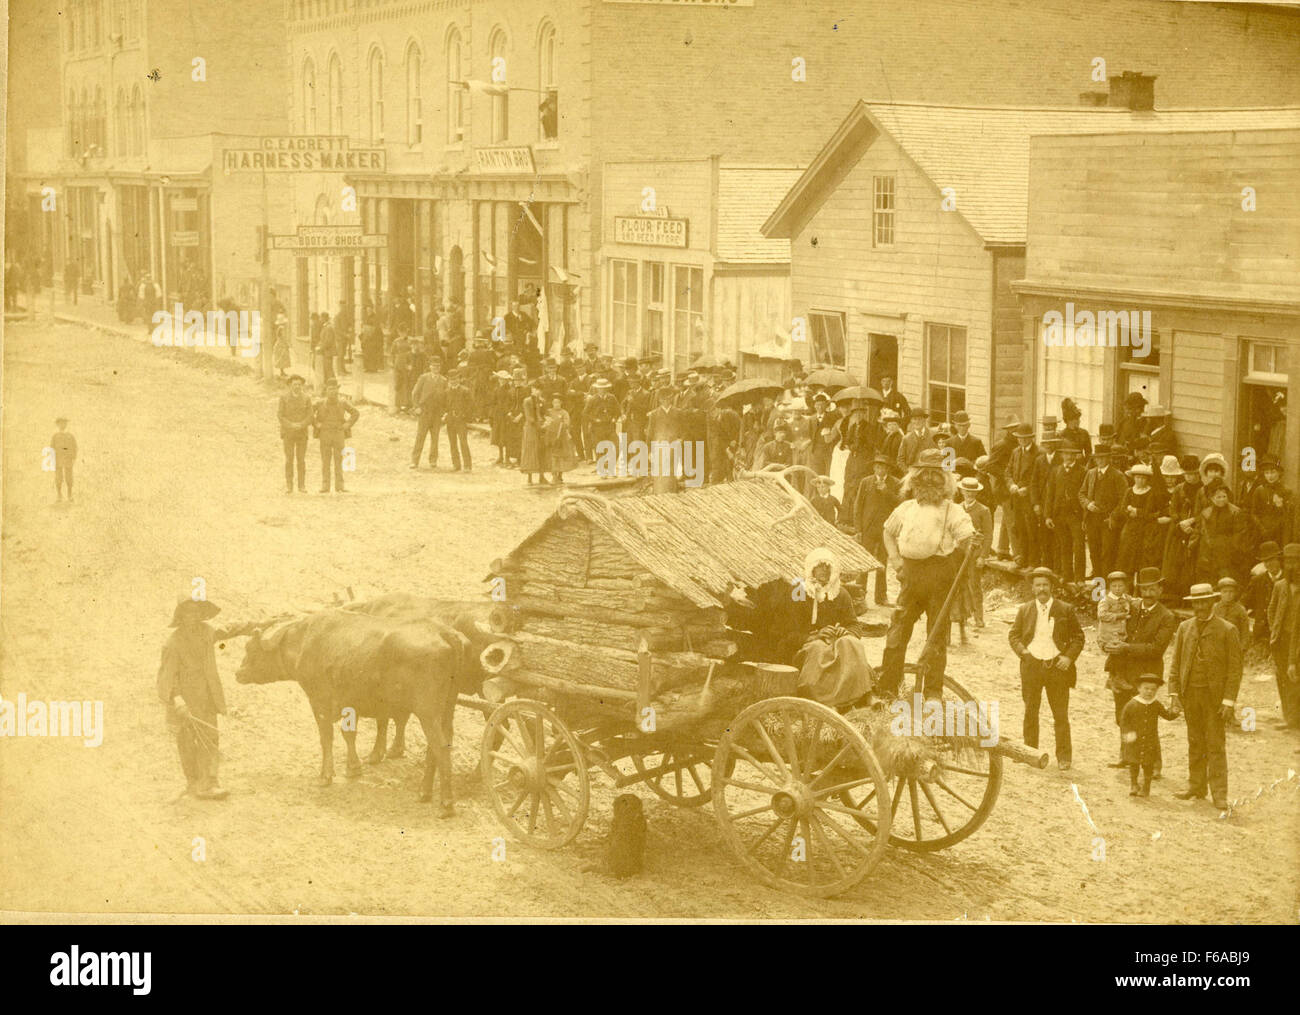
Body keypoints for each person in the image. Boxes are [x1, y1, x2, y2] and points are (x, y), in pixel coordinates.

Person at [879, 448, 977, 698]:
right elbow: (888, 532)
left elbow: (968, 540)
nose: (929, 482)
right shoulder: (906, 508)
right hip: (910, 578)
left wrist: (952, 565)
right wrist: (896, 560)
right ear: (914, 480)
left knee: (936, 638)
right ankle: (889, 688)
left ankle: (932, 692)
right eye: (924, 476)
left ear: (945, 482)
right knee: (897, 632)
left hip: (939, 578)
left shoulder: (952, 511)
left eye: (935, 477)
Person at [157, 597, 258, 799]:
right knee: (188, 742)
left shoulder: (206, 632)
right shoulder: (173, 644)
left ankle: (210, 782)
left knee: (210, 738)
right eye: (188, 613)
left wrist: (256, 625)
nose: (193, 617)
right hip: (186, 701)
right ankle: (194, 783)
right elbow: (166, 676)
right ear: (181, 616)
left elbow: (228, 630)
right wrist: (177, 699)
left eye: (196, 612)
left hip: (207, 696)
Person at [1169, 583, 1242, 810]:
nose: (1199, 607)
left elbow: (1235, 670)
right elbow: (1175, 663)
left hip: (1214, 698)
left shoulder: (1227, 629)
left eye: (1204, 602)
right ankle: (1196, 786)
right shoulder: (1184, 628)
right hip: (1190, 694)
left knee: (1215, 744)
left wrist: (1228, 701)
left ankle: (1219, 793)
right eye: (1195, 603)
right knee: (1195, 741)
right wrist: (1174, 693)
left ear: (1212, 602)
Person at [1008, 567, 1085, 770]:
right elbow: (1013, 635)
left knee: (1060, 714)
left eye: (1045, 585)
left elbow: (1078, 637)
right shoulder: (1024, 609)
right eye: (1038, 585)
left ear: (1052, 587)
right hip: (1032, 667)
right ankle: (1029, 751)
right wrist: (1023, 652)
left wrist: (1068, 658)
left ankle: (1064, 757)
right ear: (1032, 588)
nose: (1042, 589)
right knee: (1030, 710)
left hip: (1056, 667)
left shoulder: (1065, 609)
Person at [1104, 567, 1177, 772]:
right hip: (1123, 671)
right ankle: (1127, 756)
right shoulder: (1131, 607)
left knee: (1146, 721)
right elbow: (1113, 627)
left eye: (1153, 589)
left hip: (1147, 675)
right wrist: (1109, 644)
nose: (1148, 593)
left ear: (1160, 590)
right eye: (1144, 589)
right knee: (1123, 717)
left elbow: (1156, 649)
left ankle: (1153, 764)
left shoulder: (1166, 616)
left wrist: (1127, 648)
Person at [1121, 675, 1180, 797]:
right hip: (1135, 740)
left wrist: (1174, 712)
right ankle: (1134, 784)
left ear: (1156, 690)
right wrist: (1127, 733)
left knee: (1148, 764)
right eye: (1146, 688)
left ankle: (1146, 787)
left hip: (1150, 741)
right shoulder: (1132, 704)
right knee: (1134, 762)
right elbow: (1124, 720)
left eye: (1153, 689)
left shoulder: (1156, 704)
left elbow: (1166, 715)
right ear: (1139, 689)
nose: (1149, 692)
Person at [853, 454, 900, 607]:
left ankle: (881, 597)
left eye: (883, 467)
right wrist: (858, 529)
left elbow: (900, 505)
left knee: (882, 564)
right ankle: (859, 595)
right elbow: (858, 506)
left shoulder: (895, 483)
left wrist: (886, 491)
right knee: (864, 563)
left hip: (886, 531)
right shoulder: (866, 482)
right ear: (874, 467)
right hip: (867, 529)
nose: (880, 469)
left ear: (888, 469)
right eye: (877, 466)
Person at [1265, 543, 1300, 730]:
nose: (1292, 566)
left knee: (1296, 678)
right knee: (1283, 679)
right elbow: (1271, 609)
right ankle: (1289, 718)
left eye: (1296, 561)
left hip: (1299, 642)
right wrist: (1275, 630)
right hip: (1282, 639)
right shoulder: (1280, 586)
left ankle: (1296, 719)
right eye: (1289, 561)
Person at [1080, 443, 1126, 579]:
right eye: (1097, 458)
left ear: (1109, 458)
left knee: (1107, 552)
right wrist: (1088, 504)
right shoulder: (1091, 473)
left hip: (1108, 520)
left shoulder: (1117, 475)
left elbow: (1124, 499)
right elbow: (1081, 493)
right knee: (1094, 550)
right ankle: (1098, 586)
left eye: (1103, 457)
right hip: (1092, 518)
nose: (1100, 460)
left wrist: (1113, 515)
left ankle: (1108, 583)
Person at [1045, 441, 1086, 583]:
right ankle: (1066, 575)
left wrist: (1084, 517)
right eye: (1066, 454)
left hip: (1076, 515)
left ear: (1076, 456)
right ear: (1062, 455)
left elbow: (1085, 494)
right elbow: (1050, 494)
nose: (1069, 457)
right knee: (1063, 545)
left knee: (1079, 546)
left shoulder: (1083, 471)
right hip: (1059, 515)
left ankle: (1079, 577)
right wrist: (1048, 516)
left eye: (1072, 454)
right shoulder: (1056, 471)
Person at [955, 475, 991, 635]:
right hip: (958, 552)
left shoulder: (983, 510)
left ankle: (978, 616)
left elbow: (988, 535)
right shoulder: (957, 508)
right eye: (966, 491)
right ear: (962, 492)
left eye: (972, 492)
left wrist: (983, 555)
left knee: (974, 584)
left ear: (976, 494)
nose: (969, 494)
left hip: (974, 553)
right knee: (958, 584)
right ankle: (964, 615)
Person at [1112, 463, 1160, 580]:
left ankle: (1140, 587)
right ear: (1134, 478)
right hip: (1130, 528)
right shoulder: (1129, 491)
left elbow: (1150, 511)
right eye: (1138, 477)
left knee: (1143, 558)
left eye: (1143, 478)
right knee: (1126, 557)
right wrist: (1129, 512)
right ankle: (1127, 585)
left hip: (1145, 529)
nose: (1140, 480)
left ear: (1147, 479)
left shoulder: (1151, 492)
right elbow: (1123, 508)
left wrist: (1136, 511)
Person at [313, 379, 358, 493]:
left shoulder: (343, 402)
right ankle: (325, 486)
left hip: (339, 433)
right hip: (325, 433)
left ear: (338, 390)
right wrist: (316, 423)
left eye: (335, 389)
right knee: (325, 460)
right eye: (330, 389)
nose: (332, 392)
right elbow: (309, 413)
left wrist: (347, 424)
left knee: (339, 459)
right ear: (326, 390)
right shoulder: (319, 403)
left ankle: (340, 486)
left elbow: (355, 413)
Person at [1005, 423, 1039, 568]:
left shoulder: (1038, 453)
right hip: (1017, 498)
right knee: (1020, 529)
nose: (1023, 441)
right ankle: (1023, 558)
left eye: (1026, 438)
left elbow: (1041, 478)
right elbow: (1008, 472)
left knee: (1032, 529)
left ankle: (1033, 561)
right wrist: (1011, 484)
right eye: (1020, 438)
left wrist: (1027, 489)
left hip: (1030, 498)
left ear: (1031, 438)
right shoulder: (1016, 452)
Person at [1246, 456, 1293, 552]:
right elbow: (1253, 513)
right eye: (1267, 473)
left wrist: (1280, 506)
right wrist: (1262, 528)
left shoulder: (1286, 491)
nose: (1270, 476)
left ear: (1279, 473)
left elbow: (1288, 516)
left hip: (1279, 532)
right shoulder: (1259, 490)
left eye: (1273, 472)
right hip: (1262, 531)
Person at [410, 359, 448, 469]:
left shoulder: (443, 380)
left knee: (435, 438)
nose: (436, 368)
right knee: (420, 437)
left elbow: (446, 398)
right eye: (433, 366)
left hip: (437, 413)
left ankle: (433, 460)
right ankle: (414, 461)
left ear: (440, 368)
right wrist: (416, 407)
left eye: (438, 366)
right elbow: (415, 393)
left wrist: (444, 412)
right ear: (430, 366)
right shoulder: (424, 378)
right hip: (425, 411)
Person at [277, 374, 312, 493]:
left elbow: (310, 416)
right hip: (288, 433)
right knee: (289, 459)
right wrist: (291, 425)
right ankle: (289, 485)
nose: (297, 387)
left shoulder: (306, 398)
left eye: (299, 384)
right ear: (290, 386)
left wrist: (301, 425)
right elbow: (280, 415)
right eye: (294, 384)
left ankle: (301, 485)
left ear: (302, 386)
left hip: (302, 433)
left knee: (301, 460)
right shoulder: (284, 398)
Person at [1248, 541, 1284, 645]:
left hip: (1283, 633)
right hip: (1261, 634)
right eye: (1265, 561)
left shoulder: (1288, 579)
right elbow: (1245, 603)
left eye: (1272, 559)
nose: (1269, 564)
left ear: (1279, 559)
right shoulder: (1257, 580)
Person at [543, 394, 580, 484]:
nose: (556, 404)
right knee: (553, 457)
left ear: (561, 403)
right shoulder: (549, 412)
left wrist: (562, 425)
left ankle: (560, 475)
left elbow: (567, 423)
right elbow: (545, 421)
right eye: (555, 402)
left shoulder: (564, 412)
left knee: (561, 457)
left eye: (558, 402)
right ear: (552, 403)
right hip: (551, 437)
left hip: (561, 438)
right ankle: (554, 476)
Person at [444, 368, 473, 472]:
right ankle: (456, 464)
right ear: (449, 380)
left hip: (461, 420)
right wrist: (446, 415)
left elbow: (470, 406)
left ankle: (467, 465)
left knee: (463, 442)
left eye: (455, 379)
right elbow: (445, 406)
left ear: (459, 379)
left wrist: (464, 415)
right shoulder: (447, 391)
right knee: (452, 443)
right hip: (450, 420)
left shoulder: (465, 391)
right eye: (451, 379)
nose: (453, 381)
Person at [519, 380, 547, 485]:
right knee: (530, 451)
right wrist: (537, 424)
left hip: (541, 428)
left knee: (542, 451)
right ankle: (529, 477)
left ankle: (541, 476)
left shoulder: (542, 401)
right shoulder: (527, 401)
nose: (537, 392)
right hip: (531, 428)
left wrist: (545, 422)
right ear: (532, 389)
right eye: (535, 389)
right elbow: (529, 416)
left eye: (539, 390)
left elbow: (544, 413)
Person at [1211, 577, 1250, 645]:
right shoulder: (1214, 608)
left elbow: (1245, 632)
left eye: (1231, 591)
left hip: (1234, 644)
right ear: (1220, 593)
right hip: (1217, 644)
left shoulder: (1240, 610)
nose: (1228, 594)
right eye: (1225, 591)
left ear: (1235, 593)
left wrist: (1243, 647)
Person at [896, 407, 936, 472]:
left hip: (930, 473)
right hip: (913, 474)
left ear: (924, 420)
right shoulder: (906, 438)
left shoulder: (933, 435)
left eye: (919, 419)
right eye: (914, 419)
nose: (917, 422)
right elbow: (900, 460)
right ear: (911, 421)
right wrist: (908, 472)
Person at [50, 416, 77, 502]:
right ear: (57, 424)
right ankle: (59, 495)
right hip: (58, 459)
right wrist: (52, 459)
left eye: (64, 423)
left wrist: (73, 457)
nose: (63, 424)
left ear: (66, 424)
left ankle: (70, 494)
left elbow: (74, 447)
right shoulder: (55, 436)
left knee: (69, 477)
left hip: (68, 459)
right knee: (58, 477)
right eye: (61, 423)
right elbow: (52, 447)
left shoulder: (70, 435)